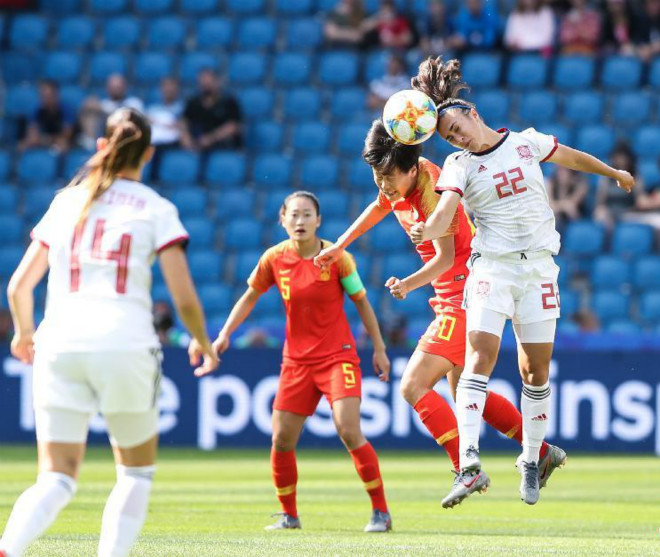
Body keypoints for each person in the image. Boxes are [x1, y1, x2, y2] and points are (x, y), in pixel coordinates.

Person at [409, 56, 633, 508]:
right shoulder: (458, 165)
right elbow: (446, 209)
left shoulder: (527, 142)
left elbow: (570, 156)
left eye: (456, 128)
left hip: (539, 269)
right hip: (492, 267)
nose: (456, 138)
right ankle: (468, 463)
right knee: (480, 357)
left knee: (535, 372)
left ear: (473, 114)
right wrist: (429, 229)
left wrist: (612, 173)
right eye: (449, 137)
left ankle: (532, 459)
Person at [0, 108, 218, 557]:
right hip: (126, 345)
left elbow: (19, 285)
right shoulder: (157, 208)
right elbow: (185, 298)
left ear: (101, 147)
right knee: (135, 474)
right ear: (150, 154)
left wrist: (24, 333)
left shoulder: (66, 202)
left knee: (56, 478)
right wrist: (201, 338)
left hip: (59, 344)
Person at [315, 120, 566, 496]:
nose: (382, 184)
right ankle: (542, 452)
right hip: (451, 295)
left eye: (387, 176)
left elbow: (446, 258)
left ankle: (465, 469)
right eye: (376, 175)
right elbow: (378, 206)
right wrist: (340, 245)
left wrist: (407, 284)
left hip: (465, 294)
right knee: (463, 391)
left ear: (411, 169)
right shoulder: (397, 181)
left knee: (413, 385)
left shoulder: (434, 189)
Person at [212, 191, 392, 533]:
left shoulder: (338, 258)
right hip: (296, 362)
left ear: (318, 221)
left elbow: (362, 302)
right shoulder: (273, 259)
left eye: (307, 215)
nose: (300, 221)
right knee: (281, 440)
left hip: (337, 357)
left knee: (349, 430)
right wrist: (224, 335)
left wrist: (379, 349)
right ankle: (289, 516)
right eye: (293, 215)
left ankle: (380, 512)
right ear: (282, 220)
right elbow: (249, 296)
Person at [180, 69, 242, 151]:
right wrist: (186, 137)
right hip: (197, 147)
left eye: (209, 81)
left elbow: (233, 126)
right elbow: (184, 122)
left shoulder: (229, 102)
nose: (206, 84)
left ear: (217, 82)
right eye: (203, 81)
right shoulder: (193, 103)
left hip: (223, 146)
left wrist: (210, 138)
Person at [17, 80, 74, 153]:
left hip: (62, 142)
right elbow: (32, 133)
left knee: (63, 144)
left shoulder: (66, 110)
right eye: (42, 96)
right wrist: (37, 139)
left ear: (56, 95)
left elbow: (66, 135)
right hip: (44, 141)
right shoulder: (37, 110)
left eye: (48, 96)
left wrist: (47, 139)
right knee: (22, 145)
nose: (44, 99)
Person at [594, 142, 640, 228]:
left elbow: (639, 200)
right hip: (610, 212)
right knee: (600, 213)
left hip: (628, 212)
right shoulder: (606, 177)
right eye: (618, 157)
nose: (621, 161)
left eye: (624, 158)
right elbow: (600, 201)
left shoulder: (636, 176)